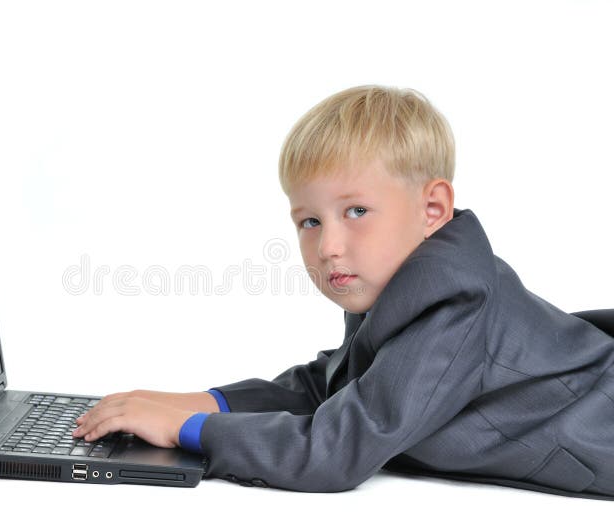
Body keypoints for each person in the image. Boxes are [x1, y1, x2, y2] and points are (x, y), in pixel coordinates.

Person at [71, 85, 614, 500]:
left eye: (356, 211)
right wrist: (207, 402)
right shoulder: (399, 277)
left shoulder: (456, 304)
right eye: (309, 221)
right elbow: (339, 382)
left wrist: (190, 431)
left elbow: (339, 447)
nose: (329, 246)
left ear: (432, 209)